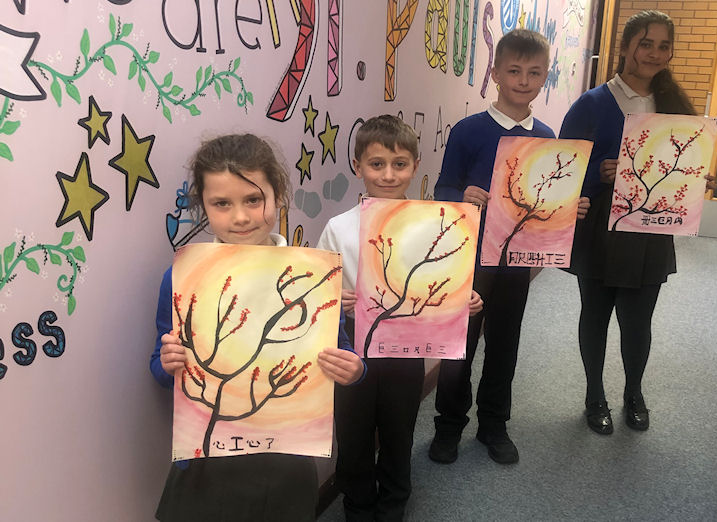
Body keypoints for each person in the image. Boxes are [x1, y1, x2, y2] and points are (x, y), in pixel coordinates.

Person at [149, 133, 365, 522]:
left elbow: (345, 351)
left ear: (278, 194)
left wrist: (353, 368)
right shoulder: (182, 279)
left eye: (253, 199)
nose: (241, 217)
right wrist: (168, 363)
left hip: (286, 456)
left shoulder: (310, 277)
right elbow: (161, 370)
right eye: (221, 204)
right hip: (206, 458)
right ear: (204, 206)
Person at [429, 29, 588, 465]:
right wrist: (462, 195)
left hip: (518, 259)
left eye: (534, 72)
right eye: (514, 71)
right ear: (495, 73)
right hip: (470, 258)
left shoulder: (546, 133)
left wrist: (568, 206)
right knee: (459, 345)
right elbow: (443, 188)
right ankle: (448, 426)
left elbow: (545, 196)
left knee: (506, 342)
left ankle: (493, 425)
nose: (523, 80)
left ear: (545, 77)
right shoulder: (469, 131)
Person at [317, 115, 482, 521]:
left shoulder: (436, 223)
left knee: (398, 427)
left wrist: (465, 298)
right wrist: (336, 298)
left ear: (415, 165)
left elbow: (444, 280)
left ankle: (394, 502)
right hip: (353, 344)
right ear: (358, 166)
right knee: (353, 432)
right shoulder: (338, 228)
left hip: (408, 343)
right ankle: (358, 503)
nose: (388, 175)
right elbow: (318, 291)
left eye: (399, 164)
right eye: (376, 164)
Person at [559, 10, 713, 435]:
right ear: (625, 47)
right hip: (602, 232)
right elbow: (564, 168)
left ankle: (633, 393)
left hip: (650, 229)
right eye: (645, 43)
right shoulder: (591, 104)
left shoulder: (675, 105)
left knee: (638, 320)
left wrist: (699, 179)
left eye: (664, 46)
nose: (654, 54)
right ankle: (594, 396)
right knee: (596, 314)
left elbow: (681, 162)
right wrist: (600, 173)